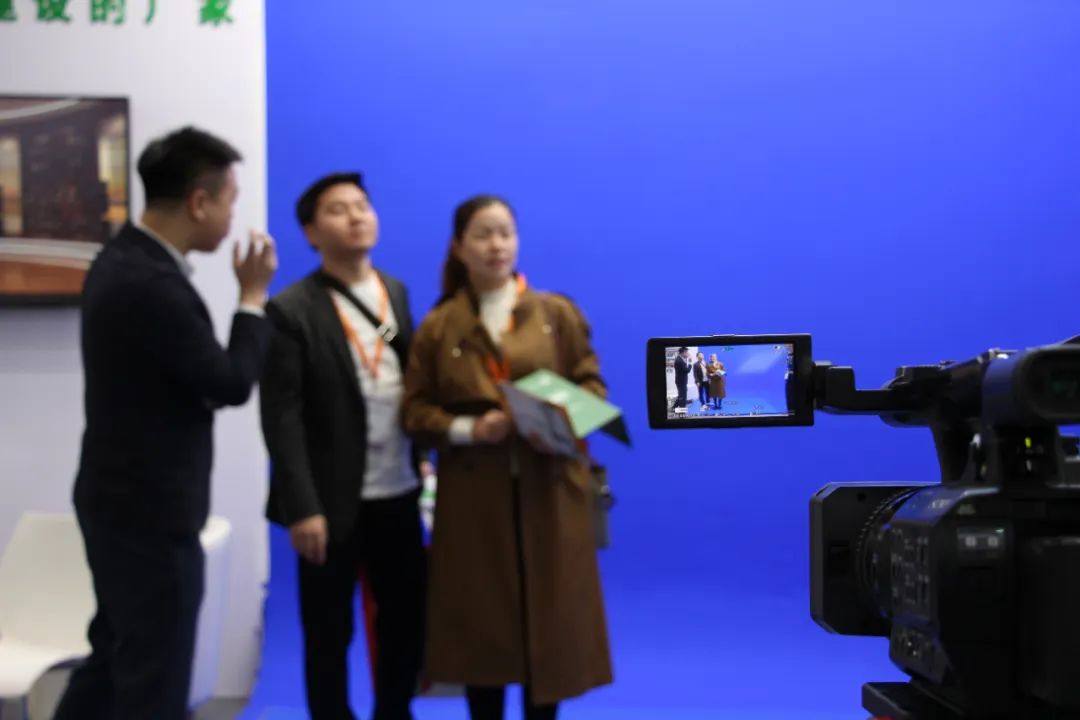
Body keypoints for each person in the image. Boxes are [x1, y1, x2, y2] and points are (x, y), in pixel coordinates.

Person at [54, 126, 276, 720]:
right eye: (229, 202)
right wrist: (253, 298)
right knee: (154, 679)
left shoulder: (123, 260)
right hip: (150, 514)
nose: (232, 218)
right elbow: (228, 382)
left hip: (119, 502)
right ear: (199, 202)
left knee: (113, 659)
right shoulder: (153, 284)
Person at [402, 194, 613, 720]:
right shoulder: (440, 325)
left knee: (552, 629)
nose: (496, 245)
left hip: (550, 490)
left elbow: (593, 390)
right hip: (474, 501)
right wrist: (471, 428)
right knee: (482, 632)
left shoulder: (556, 314)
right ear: (459, 247)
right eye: (482, 234)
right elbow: (414, 412)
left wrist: (555, 420)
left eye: (505, 232)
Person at [259, 172, 426, 720]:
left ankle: (394, 712)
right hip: (329, 501)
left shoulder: (394, 292)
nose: (356, 216)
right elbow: (281, 418)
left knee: (404, 620)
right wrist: (301, 506)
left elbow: (410, 382)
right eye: (338, 209)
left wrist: (424, 455)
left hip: (398, 489)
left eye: (362, 205)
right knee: (329, 631)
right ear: (311, 232)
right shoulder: (292, 310)